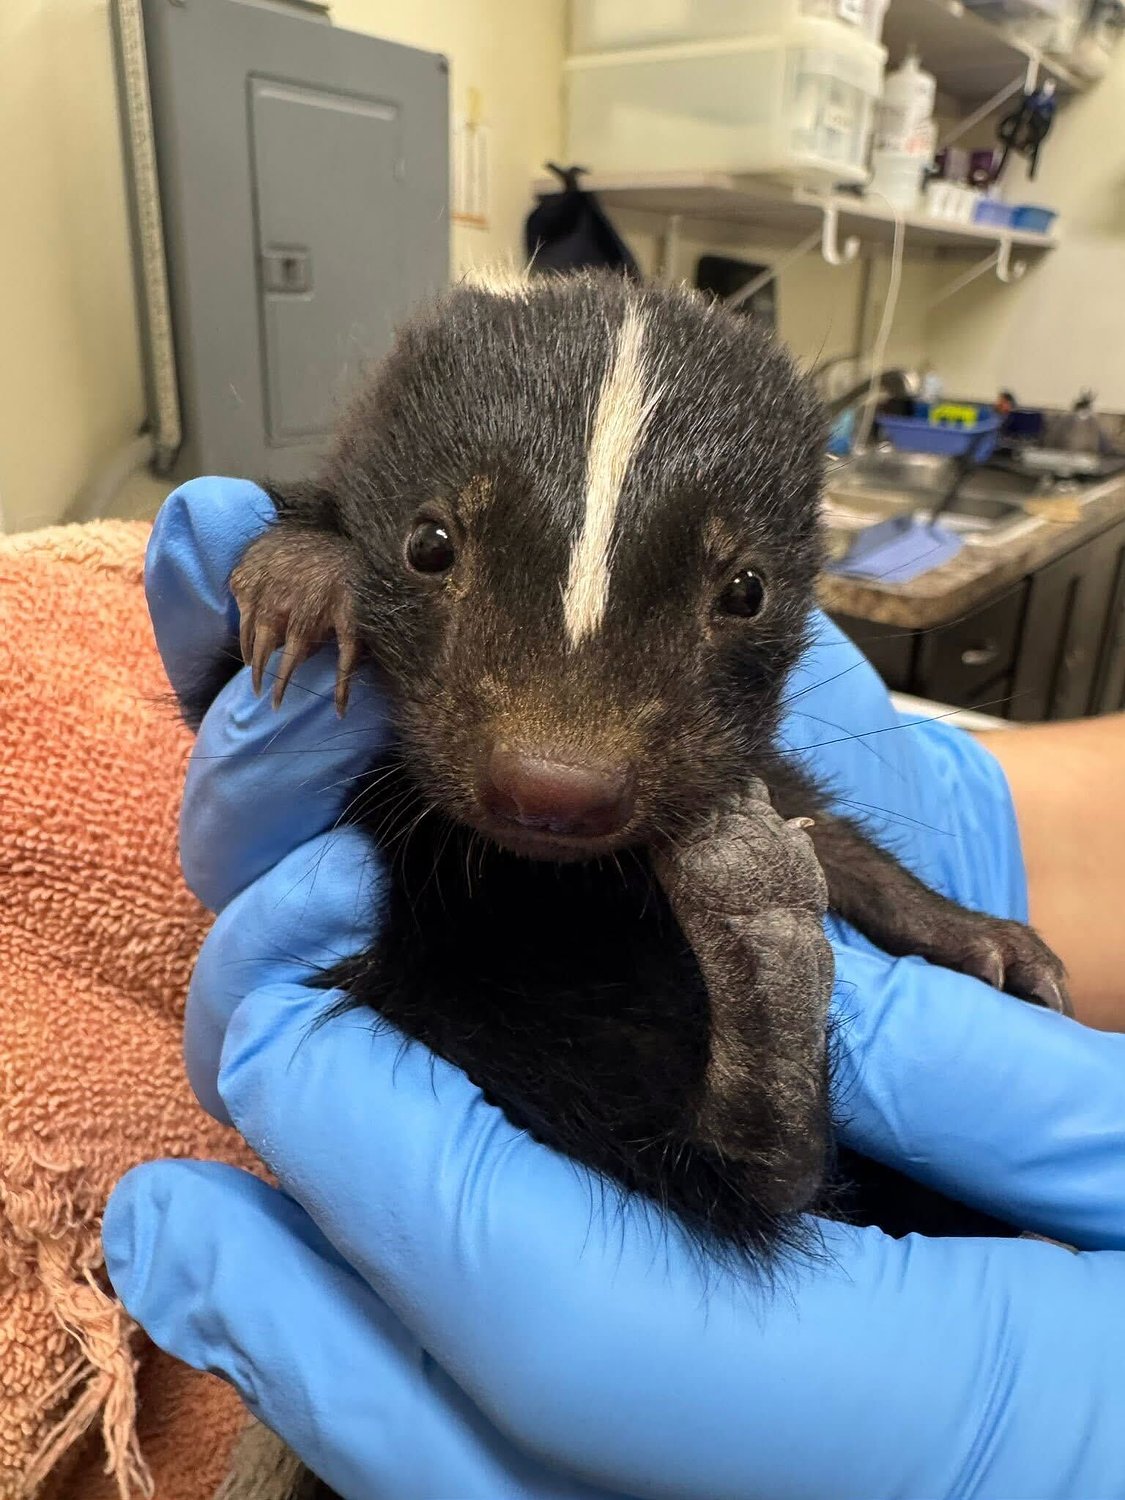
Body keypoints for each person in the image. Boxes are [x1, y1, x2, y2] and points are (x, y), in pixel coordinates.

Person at [104, 477, 1125, 1500]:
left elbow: (779, 803)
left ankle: (754, 1103)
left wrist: (937, 911)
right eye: (428, 551)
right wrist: (314, 558)